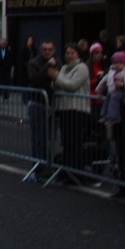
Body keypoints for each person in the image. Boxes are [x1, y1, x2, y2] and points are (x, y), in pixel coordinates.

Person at [50, 43, 91, 173]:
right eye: (68, 53)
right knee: (66, 141)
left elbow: (72, 85)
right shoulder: (64, 68)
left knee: (75, 141)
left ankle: (76, 170)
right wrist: (56, 79)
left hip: (77, 109)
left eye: (72, 53)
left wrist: (56, 78)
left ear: (78, 54)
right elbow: (55, 85)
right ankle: (67, 169)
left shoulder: (82, 68)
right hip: (64, 109)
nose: (69, 55)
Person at [26, 40, 59, 177]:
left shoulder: (58, 62)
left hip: (53, 104)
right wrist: (47, 67)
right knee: (38, 137)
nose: (47, 52)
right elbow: (34, 79)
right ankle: (38, 167)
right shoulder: (34, 63)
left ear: (54, 50)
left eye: (50, 49)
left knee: (49, 137)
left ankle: (48, 165)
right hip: (38, 104)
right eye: (44, 49)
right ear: (41, 50)